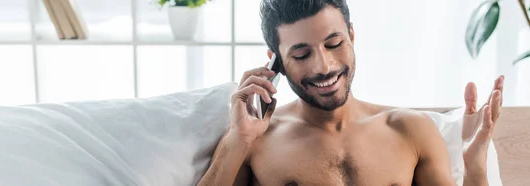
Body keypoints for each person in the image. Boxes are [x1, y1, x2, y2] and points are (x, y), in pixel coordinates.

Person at [197, 0, 505, 185]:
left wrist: (474, 170)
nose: (324, 67)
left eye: (334, 44)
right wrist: (238, 140)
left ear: (352, 35)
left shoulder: (411, 130)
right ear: (275, 61)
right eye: (302, 55)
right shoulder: (255, 142)